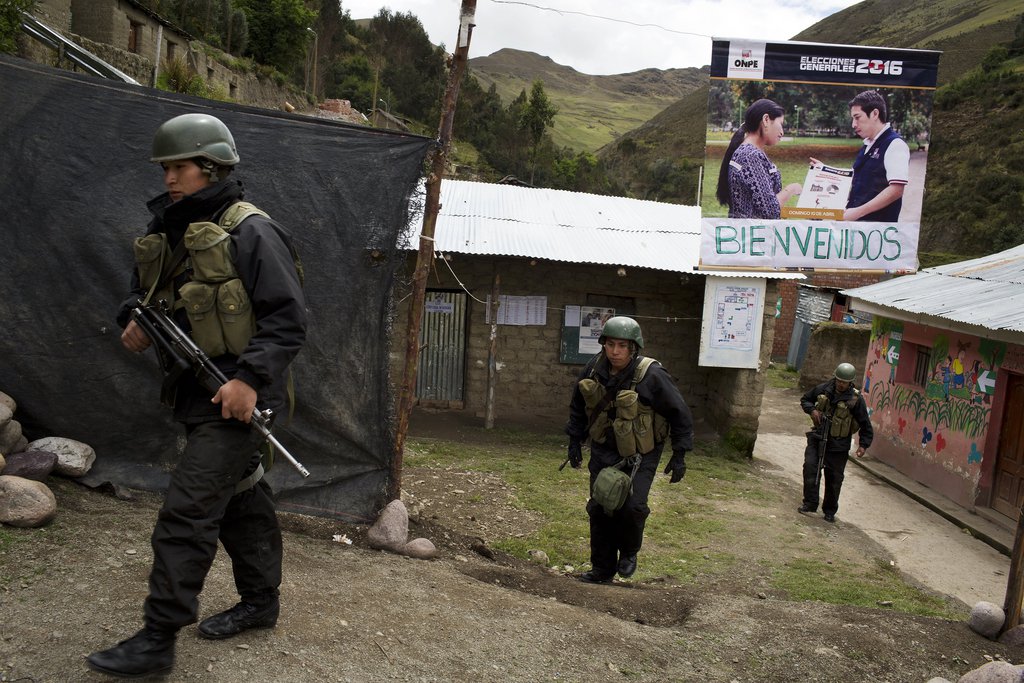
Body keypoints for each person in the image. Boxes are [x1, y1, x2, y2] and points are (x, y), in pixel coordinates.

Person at [87, 113, 307, 678]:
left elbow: (287, 321)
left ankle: (158, 638)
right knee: (241, 493)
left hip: (239, 395)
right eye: (165, 168)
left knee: (187, 510)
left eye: (178, 167)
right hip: (195, 392)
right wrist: (133, 320)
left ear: (210, 167)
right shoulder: (170, 231)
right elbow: (146, 295)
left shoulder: (252, 230)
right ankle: (262, 602)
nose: (168, 178)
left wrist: (249, 379)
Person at [565, 316, 694, 583]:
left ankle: (629, 552)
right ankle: (602, 569)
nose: (615, 351)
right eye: (610, 344)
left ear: (633, 347)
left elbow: (679, 413)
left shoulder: (652, 375)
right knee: (600, 506)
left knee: (631, 506)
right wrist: (574, 441)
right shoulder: (592, 369)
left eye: (622, 345)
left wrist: (679, 453)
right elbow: (578, 407)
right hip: (603, 449)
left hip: (641, 454)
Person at [798, 362, 873, 523]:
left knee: (834, 478)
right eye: (838, 380)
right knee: (811, 468)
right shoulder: (824, 389)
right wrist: (813, 410)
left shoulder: (855, 399)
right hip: (818, 438)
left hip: (838, 445)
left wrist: (863, 445)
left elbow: (865, 424)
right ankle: (810, 503)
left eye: (844, 382)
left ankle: (830, 511)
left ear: (850, 382)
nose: (840, 384)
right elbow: (805, 399)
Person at [715, 98, 802, 219]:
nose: (782, 132)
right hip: (751, 235)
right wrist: (792, 189)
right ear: (766, 120)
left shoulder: (748, 152)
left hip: (747, 232)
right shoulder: (750, 156)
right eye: (780, 124)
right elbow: (770, 210)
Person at [843, 90, 909, 222]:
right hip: (858, 229)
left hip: (877, 233)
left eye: (857, 117)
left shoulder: (895, 144)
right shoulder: (868, 144)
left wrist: (858, 212)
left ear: (874, 114)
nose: (853, 125)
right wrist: (825, 172)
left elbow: (896, 190)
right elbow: (859, 180)